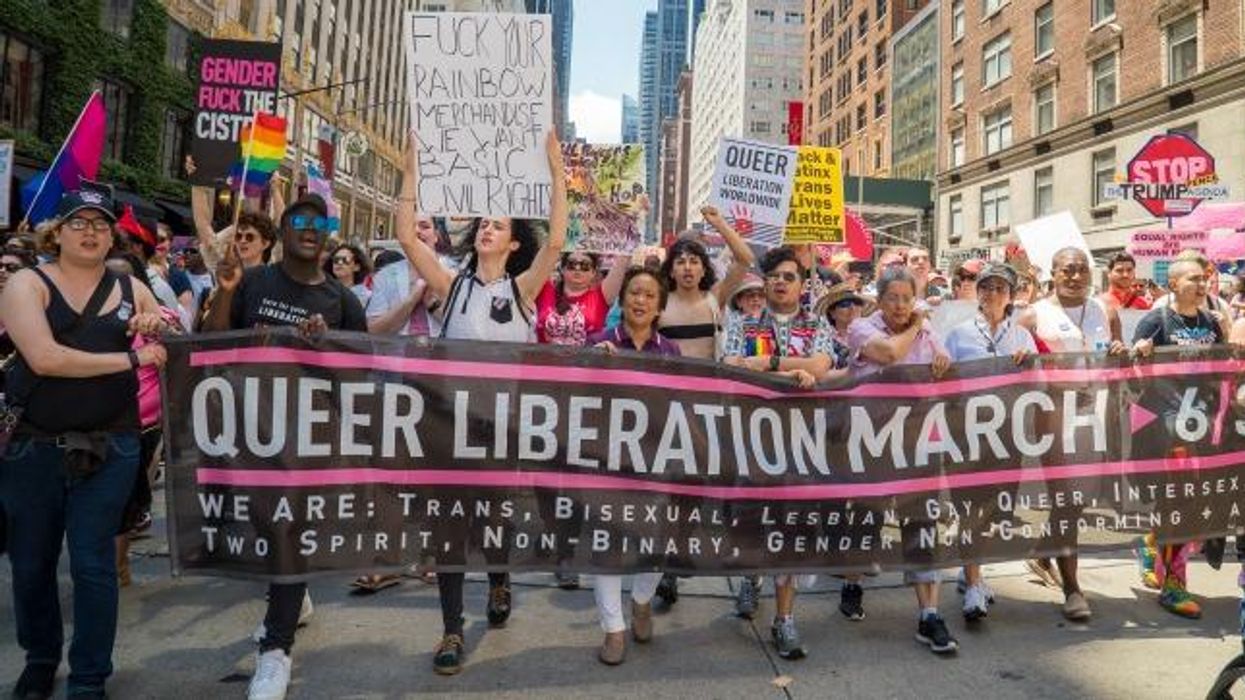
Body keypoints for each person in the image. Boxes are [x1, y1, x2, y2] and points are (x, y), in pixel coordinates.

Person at [394, 131, 568, 676]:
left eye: (500, 224)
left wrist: (557, 173)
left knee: (493, 518)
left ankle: (498, 578)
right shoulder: (452, 285)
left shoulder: (521, 290)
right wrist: (412, 168)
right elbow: (406, 237)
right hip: (449, 428)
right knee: (448, 524)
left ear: (515, 243)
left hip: (499, 431)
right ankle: (450, 629)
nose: (488, 227)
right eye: (485, 222)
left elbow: (558, 242)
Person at [0, 190, 169, 699]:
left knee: (95, 565)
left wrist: (151, 323)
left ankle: (90, 676)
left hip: (111, 445)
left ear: (112, 234)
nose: (90, 231)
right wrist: (132, 361)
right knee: (31, 563)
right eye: (78, 223)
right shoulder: (27, 283)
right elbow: (45, 358)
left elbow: (162, 329)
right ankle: (40, 657)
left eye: (99, 222)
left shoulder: (129, 285)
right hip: (34, 447)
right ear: (57, 232)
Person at [201, 193, 367, 700]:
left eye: (319, 223)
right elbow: (212, 342)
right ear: (285, 230)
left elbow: (360, 376)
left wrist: (328, 349)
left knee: (289, 533)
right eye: (299, 221)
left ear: (327, 236)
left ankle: (275, 654)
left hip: (308, 441)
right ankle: (294, 595)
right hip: (248, 433)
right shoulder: (252, 281)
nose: (310, 229)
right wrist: (226, 293)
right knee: (266, 530)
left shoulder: (343, 301)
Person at [722, 246, 839, 660]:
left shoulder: (817, 322)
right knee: (753, 520)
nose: (780, 283)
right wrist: (789, 367)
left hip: (800, 441)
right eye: (774, 276)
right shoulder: (741, 321)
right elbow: (733, 366)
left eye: (789, 276)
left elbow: (822, 367)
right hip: (752, 438)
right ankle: (751, 579)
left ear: (801, 284)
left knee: (790, 527)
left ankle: (785, 620)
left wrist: (765, 364)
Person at [846, 265, 956, 655]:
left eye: (907, 298)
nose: (899, 305)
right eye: (892, 297)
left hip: (916, 444)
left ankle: (929, 615)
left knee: (921, 524)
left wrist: (940, 353)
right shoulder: (861, 328)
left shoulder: (927, 331)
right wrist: (920, 324)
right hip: (871, 445)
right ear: (879, 299)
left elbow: (943, 362)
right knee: (866, 520)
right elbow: (890, 354)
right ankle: (853, 583)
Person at [585, 266, 680, 665]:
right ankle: (613, 629)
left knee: (655, 541)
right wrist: (589, 364)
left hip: (655, 462)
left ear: (659, 307)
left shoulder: (671, 353)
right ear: (622, 299)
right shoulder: (599, 343)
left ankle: (642, 599)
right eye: (634, 293)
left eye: (648, 296)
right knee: (606, 542)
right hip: (607, 461)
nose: (640, 301)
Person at [1028, 246, 1127, 622]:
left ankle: (1041, 550)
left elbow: (1114, 360)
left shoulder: (1106, 310)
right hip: (1053, 416)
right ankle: (1072, 588)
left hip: (1094, 413)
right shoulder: (1033, 315)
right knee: (1066, 499)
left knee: (1080, 499)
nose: (1075, 276)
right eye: (1067, 270)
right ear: (1052, 272)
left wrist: (1120, 350)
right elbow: (1014, 366)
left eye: (1081, 270)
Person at [1131, 258, 1230, 619]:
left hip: (1201, 426)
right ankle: (1174, 584)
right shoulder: (1156, 320)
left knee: (1190, 501)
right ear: (1173, 284)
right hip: (1165, 428)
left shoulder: (1212, 323)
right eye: (1193, 279)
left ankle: (1151, 544)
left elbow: (1220, 373)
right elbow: (1130, 375)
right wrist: (1140, 354)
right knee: (1182, 502)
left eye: (1205, 279)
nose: (1202, 284)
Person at [943, 264, 1035, 622]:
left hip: (1007, 437)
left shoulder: (1022, 337)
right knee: (969, 511)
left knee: (995, 511)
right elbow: (944, 378)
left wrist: (1030, 366)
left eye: (999, 288)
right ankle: (975, 582)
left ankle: (971, 575)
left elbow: (1037, 382)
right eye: (986, 287)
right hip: (968, 436)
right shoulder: (958, 334)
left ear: (1011, 296)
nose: (992, 293)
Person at [657, 207, 754, 360]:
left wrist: (720, 224)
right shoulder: (658, 303)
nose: (688, 267)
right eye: (681, 262)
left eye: (694, 262)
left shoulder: (715, 298)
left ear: (703, 271)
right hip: (668, 381)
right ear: (671, 271)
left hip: (710, 382)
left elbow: (745, 260)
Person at [536, 251, 627, 347]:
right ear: (562, 269)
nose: (578, 269)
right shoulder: (544, 290)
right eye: (571, 264)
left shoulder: (602, 296)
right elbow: (543, 257)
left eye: (585, 265)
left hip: (586, 360)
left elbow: (624, 257)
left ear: (594, 272)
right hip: (543, 359)